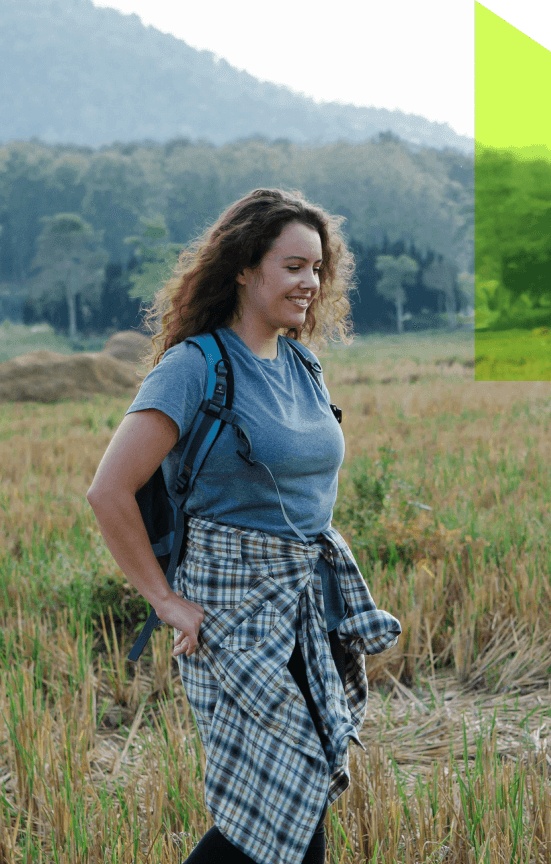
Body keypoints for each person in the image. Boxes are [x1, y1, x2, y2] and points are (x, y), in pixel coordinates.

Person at [86, 188, 401, 864]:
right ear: (242, 269)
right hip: (232, 606)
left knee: (294, 796)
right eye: (293, 266)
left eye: (317, 268)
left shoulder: (302, 365)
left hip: (304, 602)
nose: (310, 282)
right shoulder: (194, 367)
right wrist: (165, 601)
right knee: (288, 787)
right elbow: (109, 491)